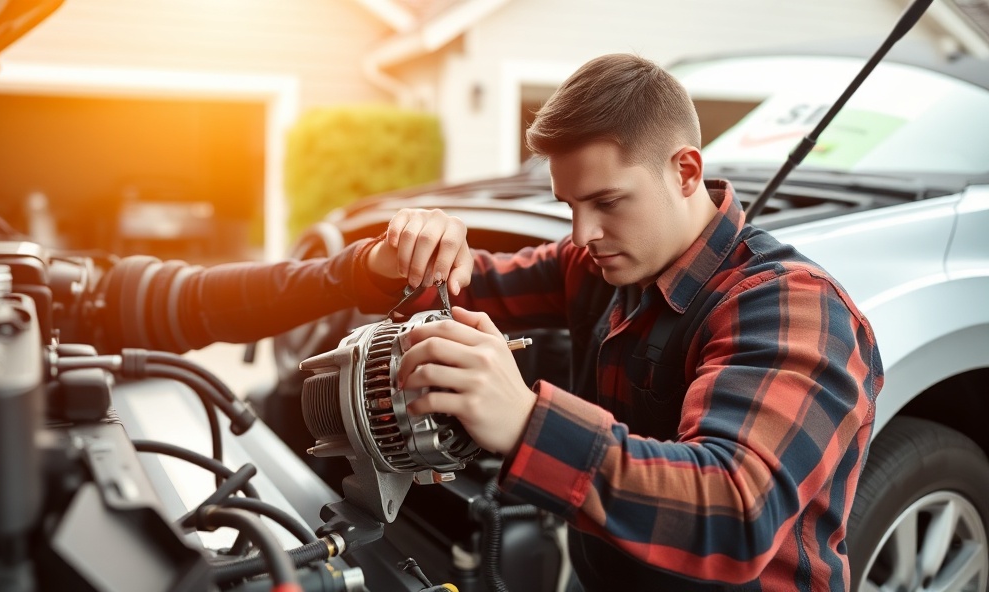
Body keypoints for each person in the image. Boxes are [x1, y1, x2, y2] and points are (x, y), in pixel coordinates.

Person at [344, 53, 883, 590]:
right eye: (570, 205)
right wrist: (415, 249)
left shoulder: (795, 308)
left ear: (686, 171)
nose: (582, 234)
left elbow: (735, 515)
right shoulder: (598, 266)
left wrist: (525, 419)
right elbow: (461, 285)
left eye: (607, 202)